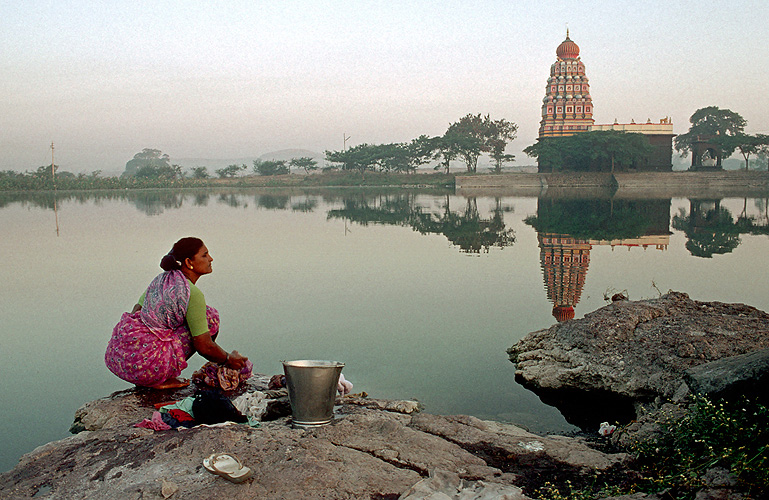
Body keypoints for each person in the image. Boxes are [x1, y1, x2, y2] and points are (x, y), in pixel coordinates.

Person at [105, 237, 249, 389]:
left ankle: (152, 371)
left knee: (186, 321)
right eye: (204, 255)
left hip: (123, 360)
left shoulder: (161, 279)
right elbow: (204, 346)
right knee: (209, 318)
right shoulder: (192, 293)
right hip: (148, 366)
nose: (210, 258)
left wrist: (147, 340)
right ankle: (162, 376)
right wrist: (228, 359)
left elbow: (137, 311)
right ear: (188, 262)